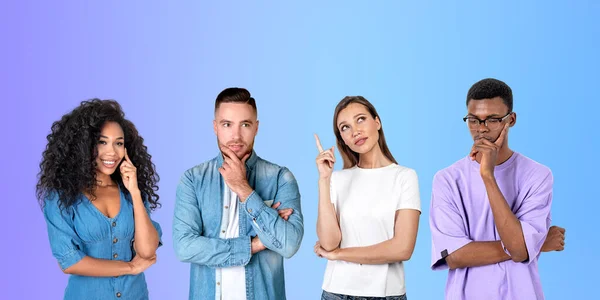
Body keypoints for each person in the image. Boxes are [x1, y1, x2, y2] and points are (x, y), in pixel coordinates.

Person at [429, 78, 566, 300]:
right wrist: (535, 245)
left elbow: (520, 250)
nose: (481, 129)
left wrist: (487, 176)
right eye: (474, 120)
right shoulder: (447, 179)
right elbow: (454, 255)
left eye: (492, 120)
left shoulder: (538, 175)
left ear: (510, 120)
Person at [172, 87, 304, 300]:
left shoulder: (280, 177)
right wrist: (253, 245)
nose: (236, 136)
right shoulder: (193, 180)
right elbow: (185, 247)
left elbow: (288, 245)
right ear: (215, 127)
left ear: (256, 128)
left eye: (245, 124)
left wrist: (244, 189)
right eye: (227, 124)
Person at [37, 99, 162, 300]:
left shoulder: (131, 193)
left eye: (119, 143)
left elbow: (147, 251)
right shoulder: (61, 197)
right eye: (102, 142)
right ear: (83, 145)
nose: (111, 152)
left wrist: (136, 193)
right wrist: (129, 267)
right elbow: (69, 262)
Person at [314, 96, 420, 300]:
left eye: (360, 119)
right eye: (345, 127)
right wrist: (324, 180)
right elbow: (328, 243)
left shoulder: (404, 177)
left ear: (377, 122)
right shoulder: (336, 179)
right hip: (337, 292)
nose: (355, 131)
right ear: (342, 139)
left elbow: (403, 248)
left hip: (386, 294)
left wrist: (340, 255)